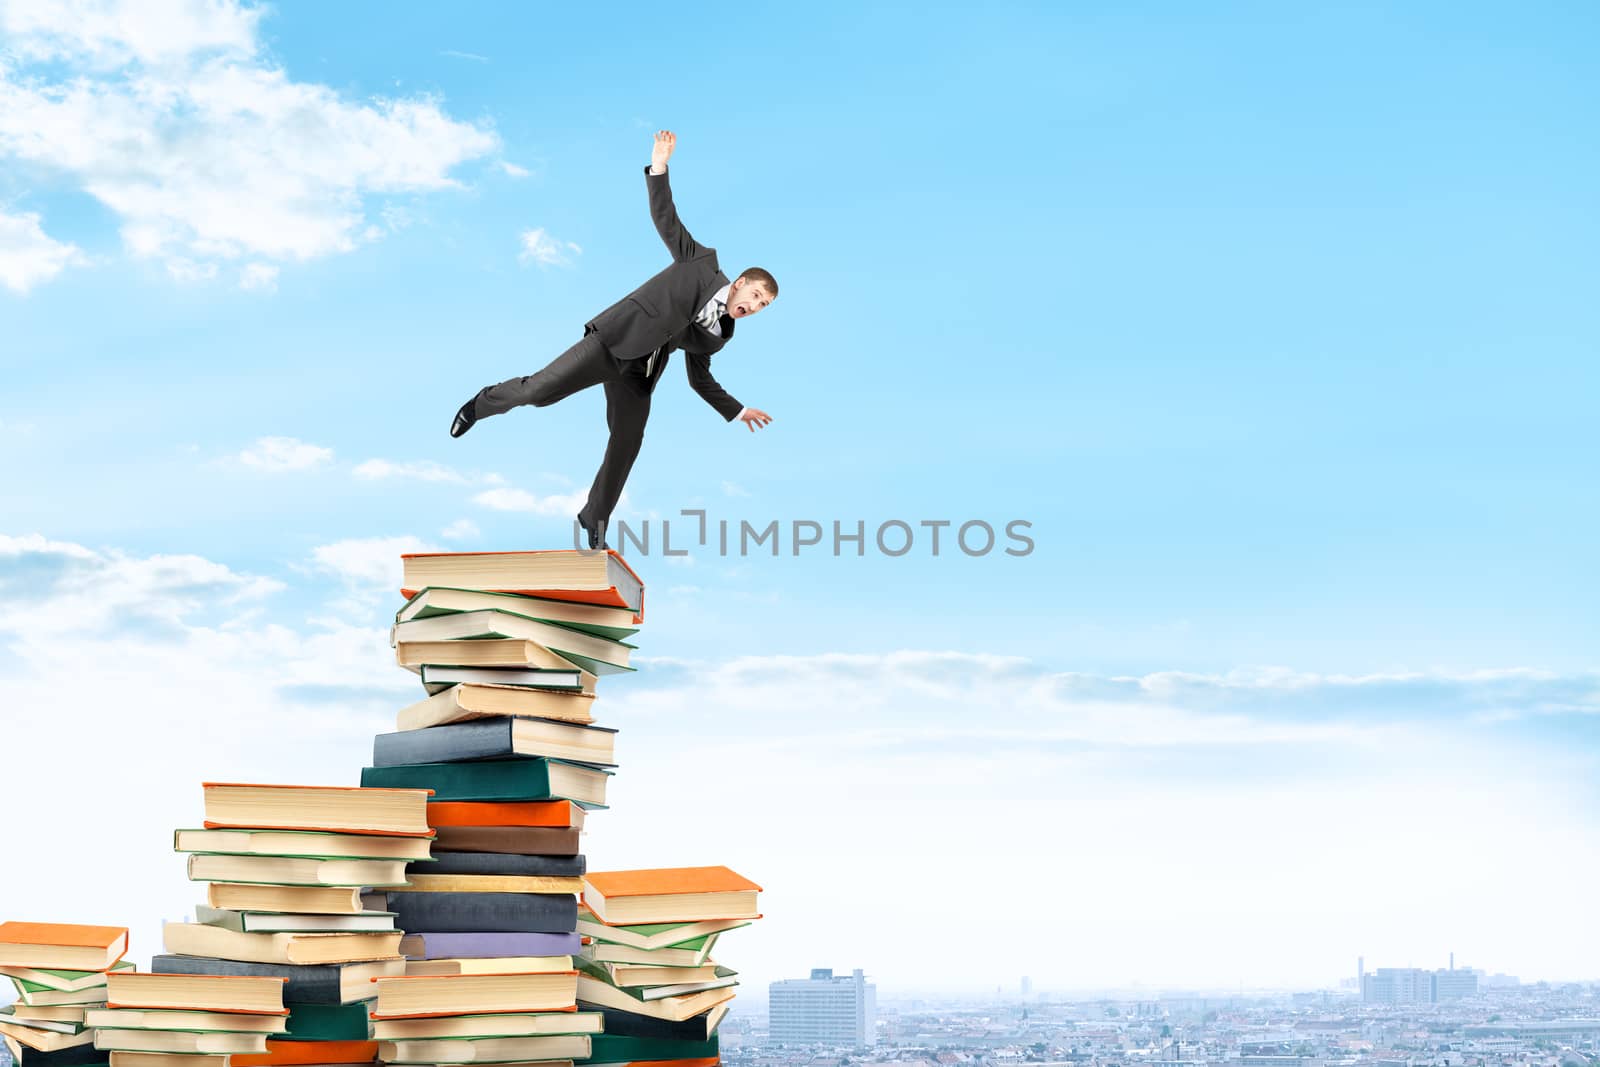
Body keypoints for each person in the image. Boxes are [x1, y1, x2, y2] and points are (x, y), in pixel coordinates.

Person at [450, 130, 777, 550]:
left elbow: (701, 381)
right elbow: (667, 220)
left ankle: (594, 516)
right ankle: (482, 402)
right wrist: (659, 166)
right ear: (742, 283)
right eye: (756, 296)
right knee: (539, 392)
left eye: (763, 306)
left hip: (639, 376)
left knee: (628, 441)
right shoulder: (700, 263)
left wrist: (737, 411)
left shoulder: (717, 336)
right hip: (611, 342)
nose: (755, 306)